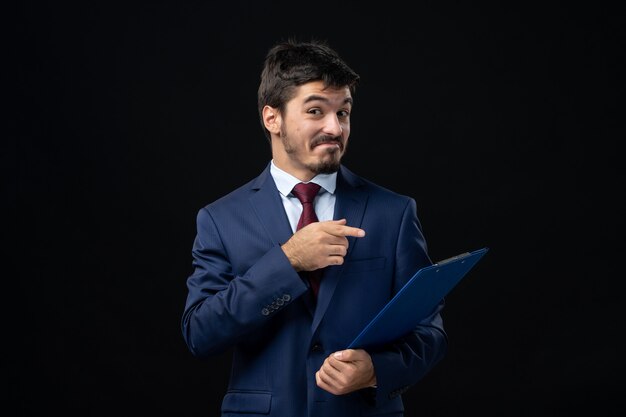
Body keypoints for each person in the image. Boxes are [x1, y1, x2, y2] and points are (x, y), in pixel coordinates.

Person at [181, 38, 448, 417]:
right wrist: (288, 261)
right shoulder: (220, 219)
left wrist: (376, 370)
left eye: (343, 113)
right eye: (315, 111)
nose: (334, 128)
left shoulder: (395, 212)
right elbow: (200, 333)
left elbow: (430, 332)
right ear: (271, 118)